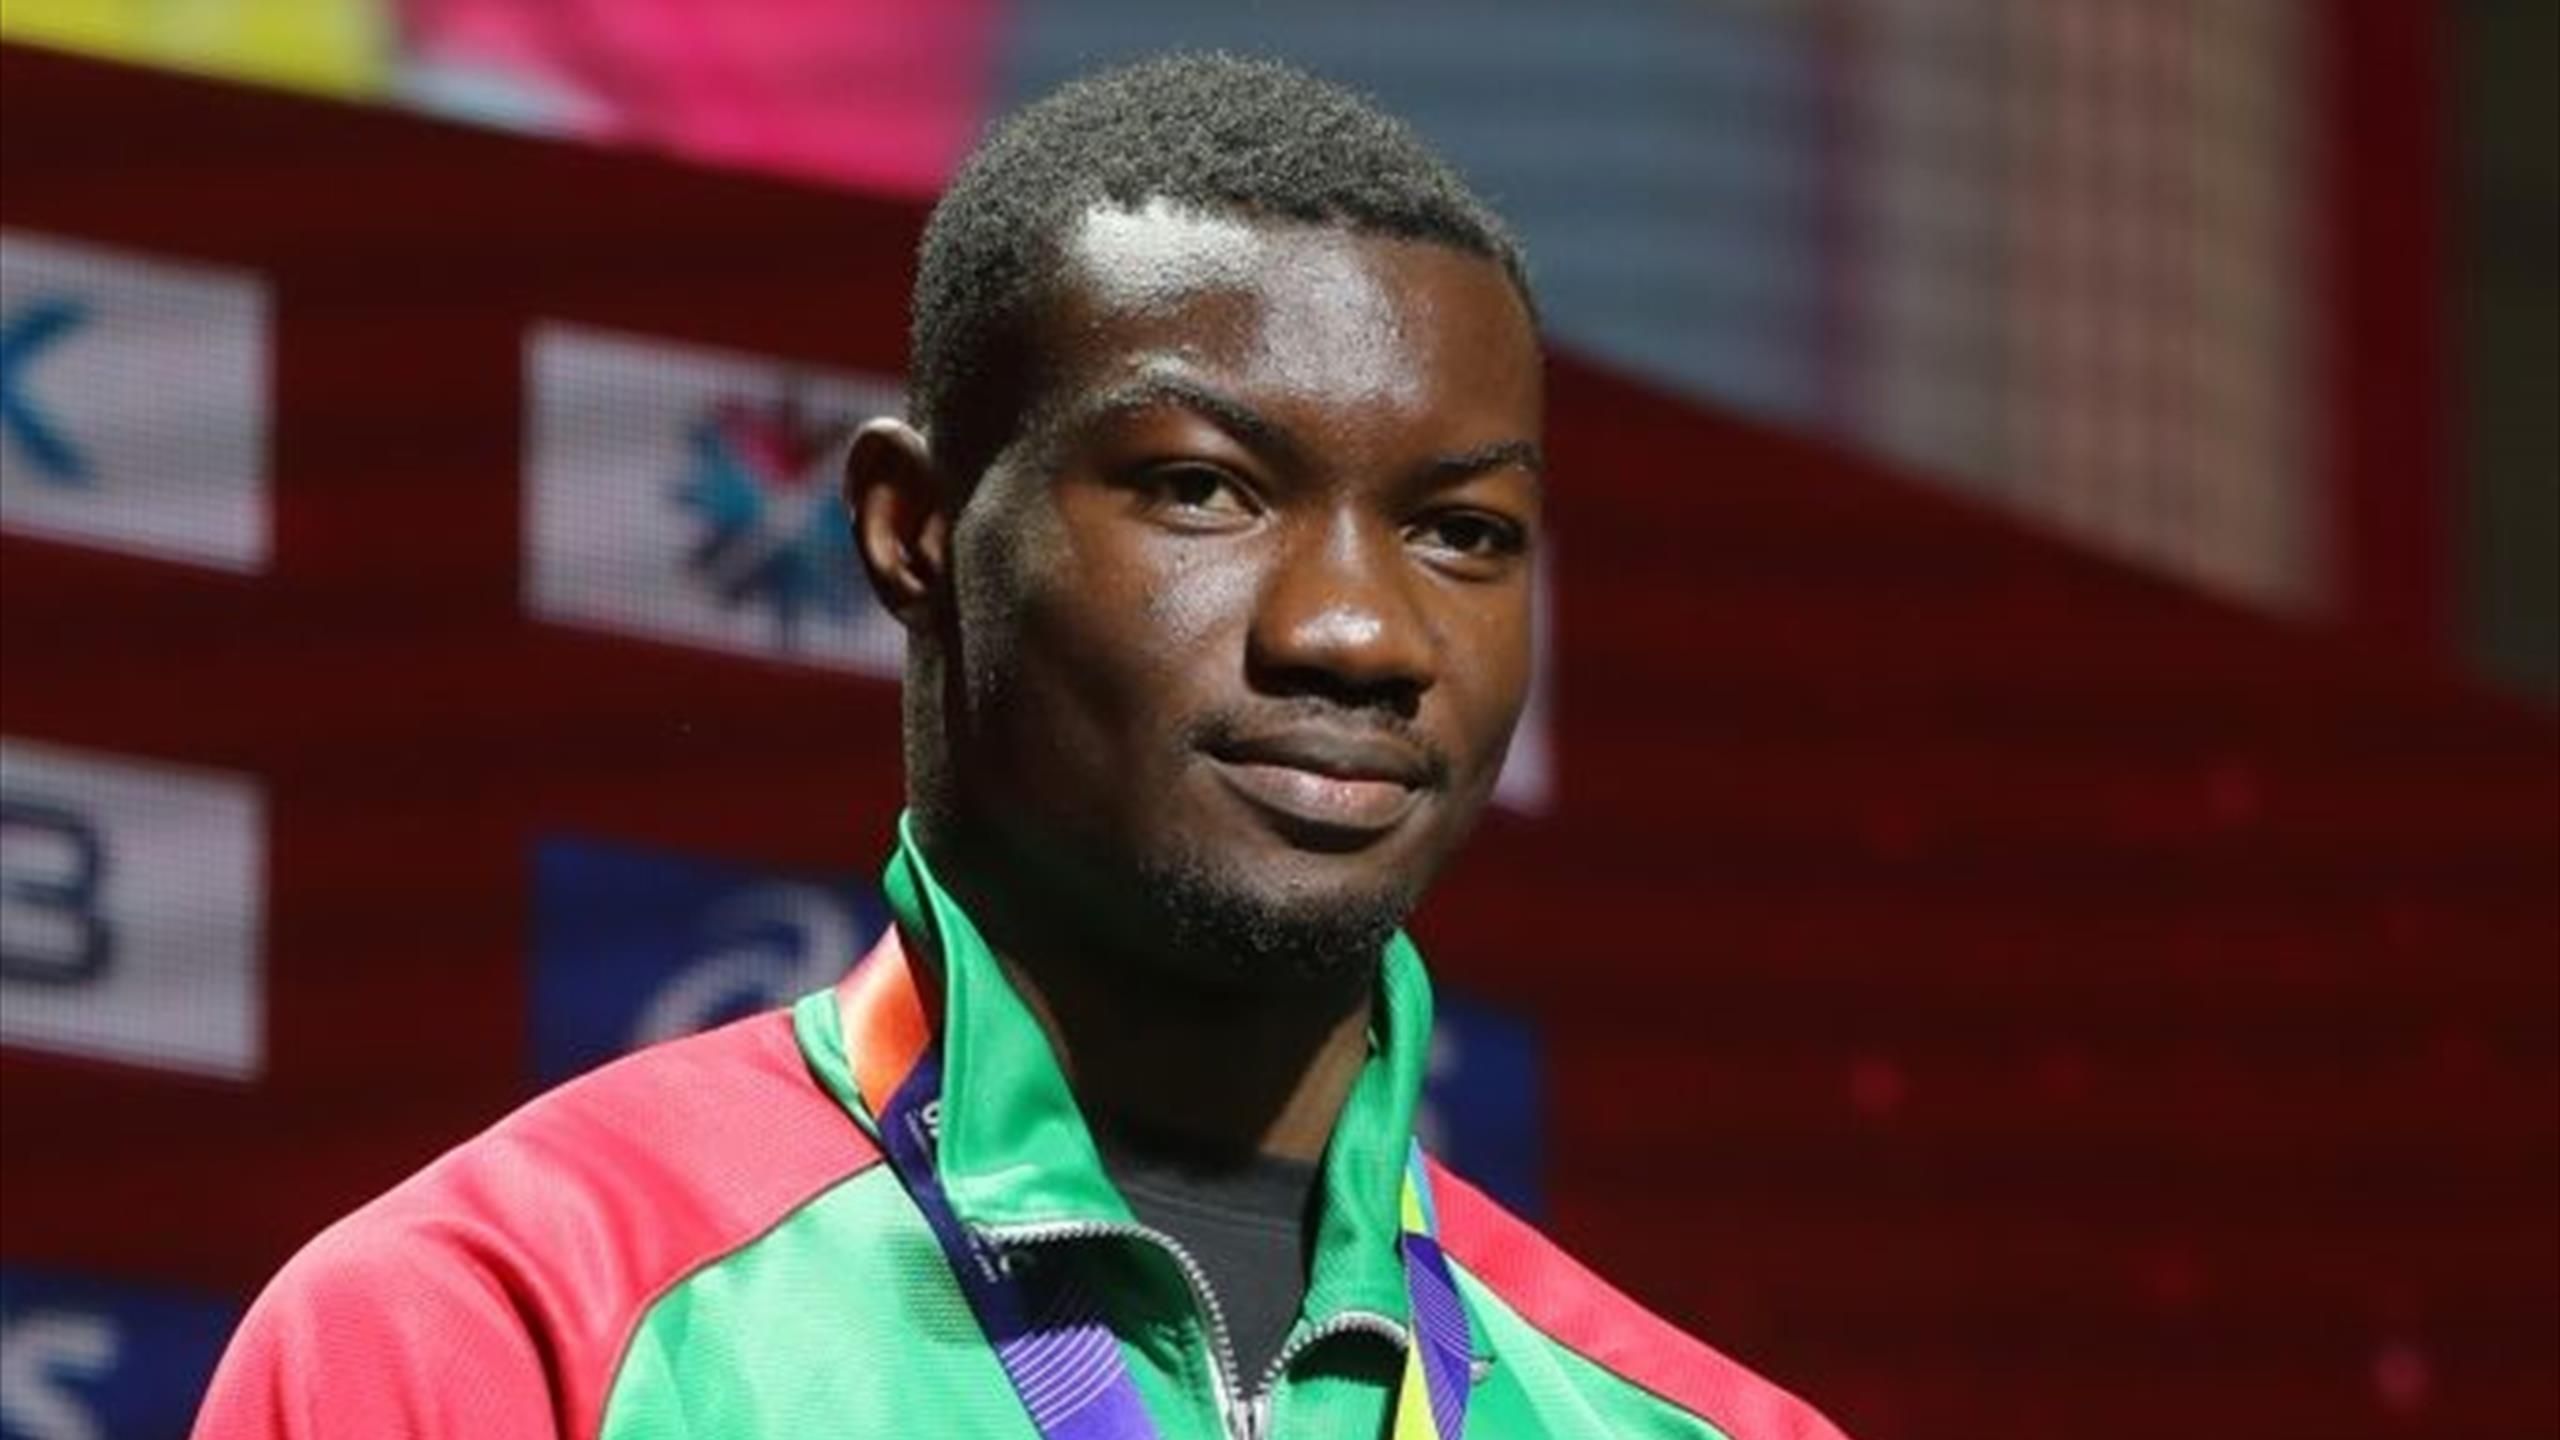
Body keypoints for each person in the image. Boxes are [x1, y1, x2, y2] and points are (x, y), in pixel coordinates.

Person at [194, 53, 1848, 1439]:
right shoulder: (502, 1331)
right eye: (1204, 488)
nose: (1359, 633)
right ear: (915, 534)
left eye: (1464, 532)